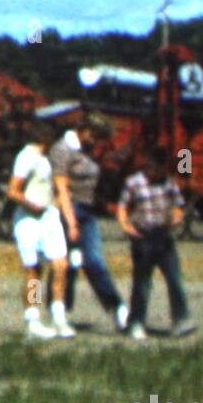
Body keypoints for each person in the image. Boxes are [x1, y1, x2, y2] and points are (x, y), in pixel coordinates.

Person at [50, 113, 129, 332]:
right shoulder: (62, 150)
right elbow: (61, 187)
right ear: (82, 130)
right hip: (68, 210)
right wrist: (71, 222)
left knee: (95, 262)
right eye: (93, 136)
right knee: (66, 266)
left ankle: (116, 308)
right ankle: (57, 311)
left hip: (88, 210)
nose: (94, 141)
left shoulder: (88, 151)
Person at [116, 146, 194, 340]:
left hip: (163, 235)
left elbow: (179, 205)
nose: (157, 172)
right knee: (142, 283)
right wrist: (126, 226)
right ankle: (136, 322)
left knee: (174, 279)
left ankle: (181, 319)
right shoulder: (134, 182)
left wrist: (177, 217)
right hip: (143, 236)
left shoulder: (168, 182)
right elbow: (122, 206)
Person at [6, 122, 75, 340]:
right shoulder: (26, 156)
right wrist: (31, 205)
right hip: (29, 219)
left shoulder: (48, 158)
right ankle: (33, 319)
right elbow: (13, 191)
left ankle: (59, 316)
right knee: (33, 270)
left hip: (48, 216)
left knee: (61, 265)